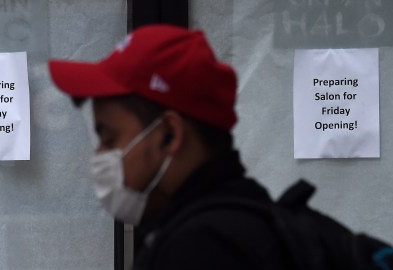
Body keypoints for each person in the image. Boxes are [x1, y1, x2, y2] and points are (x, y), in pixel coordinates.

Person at [49, 24, 293, 269]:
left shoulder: (200, 250)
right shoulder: (259, 227)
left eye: (110, 139)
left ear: (170, 134)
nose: (100, 154)